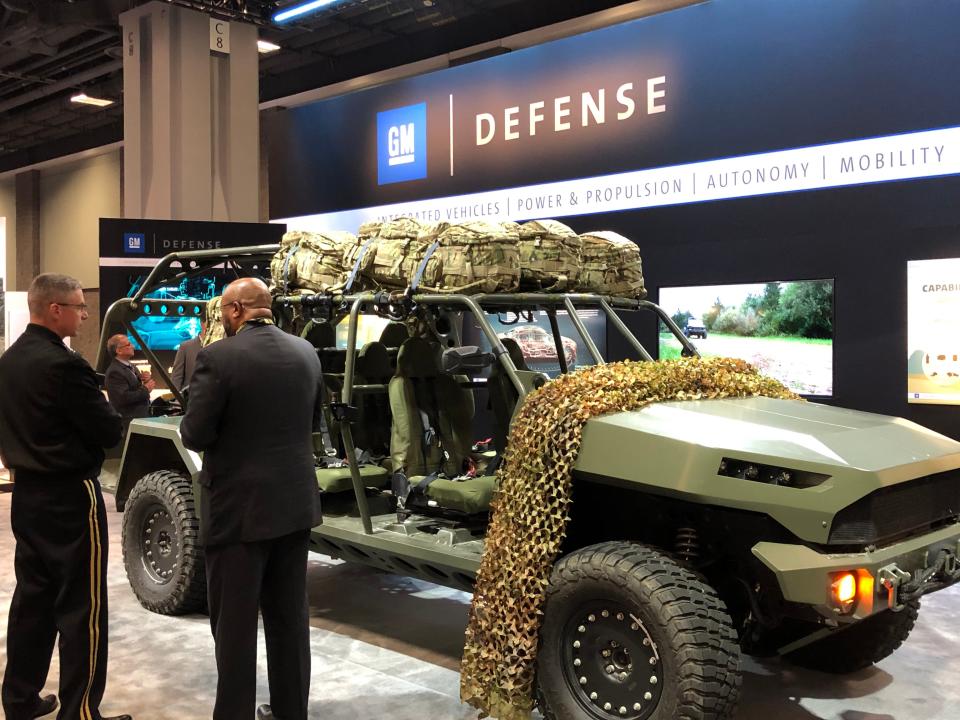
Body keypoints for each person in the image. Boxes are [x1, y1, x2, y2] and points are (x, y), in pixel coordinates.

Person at [180, 278, 323, 720]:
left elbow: (195, 433)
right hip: (294, 506)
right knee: (289, 623)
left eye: (223, 310)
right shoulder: (306, 352)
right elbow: (313, 421)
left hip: (238, 512)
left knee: (235, 628)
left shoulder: (218, 358)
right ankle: (288, 711)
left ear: (236, 309)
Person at [0, 273, 131, 720]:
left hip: (28, 496)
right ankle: (80, 713)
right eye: (79, 306)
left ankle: (19, 699)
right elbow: (109, 429)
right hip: (71, 497)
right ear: (54, 309)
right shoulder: (65, 366)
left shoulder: (11, 359)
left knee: (32, 600)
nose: (84, 313)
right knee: (82, 607)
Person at [104, 334, 155, 432]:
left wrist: (144, 380)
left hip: (139, 419)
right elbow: (123, 398)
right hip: (129, 423)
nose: (133, 346)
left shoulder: (130, 366)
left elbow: (134, 388)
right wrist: (146, 389)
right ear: (118, 351)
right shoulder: (115, 372)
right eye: (128, 344)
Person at [170, 321, 205, 392]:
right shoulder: (186, 347)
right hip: (191, 399)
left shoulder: (222, 346)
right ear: (202, 324)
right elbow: (176, 378)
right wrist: (176, 400)